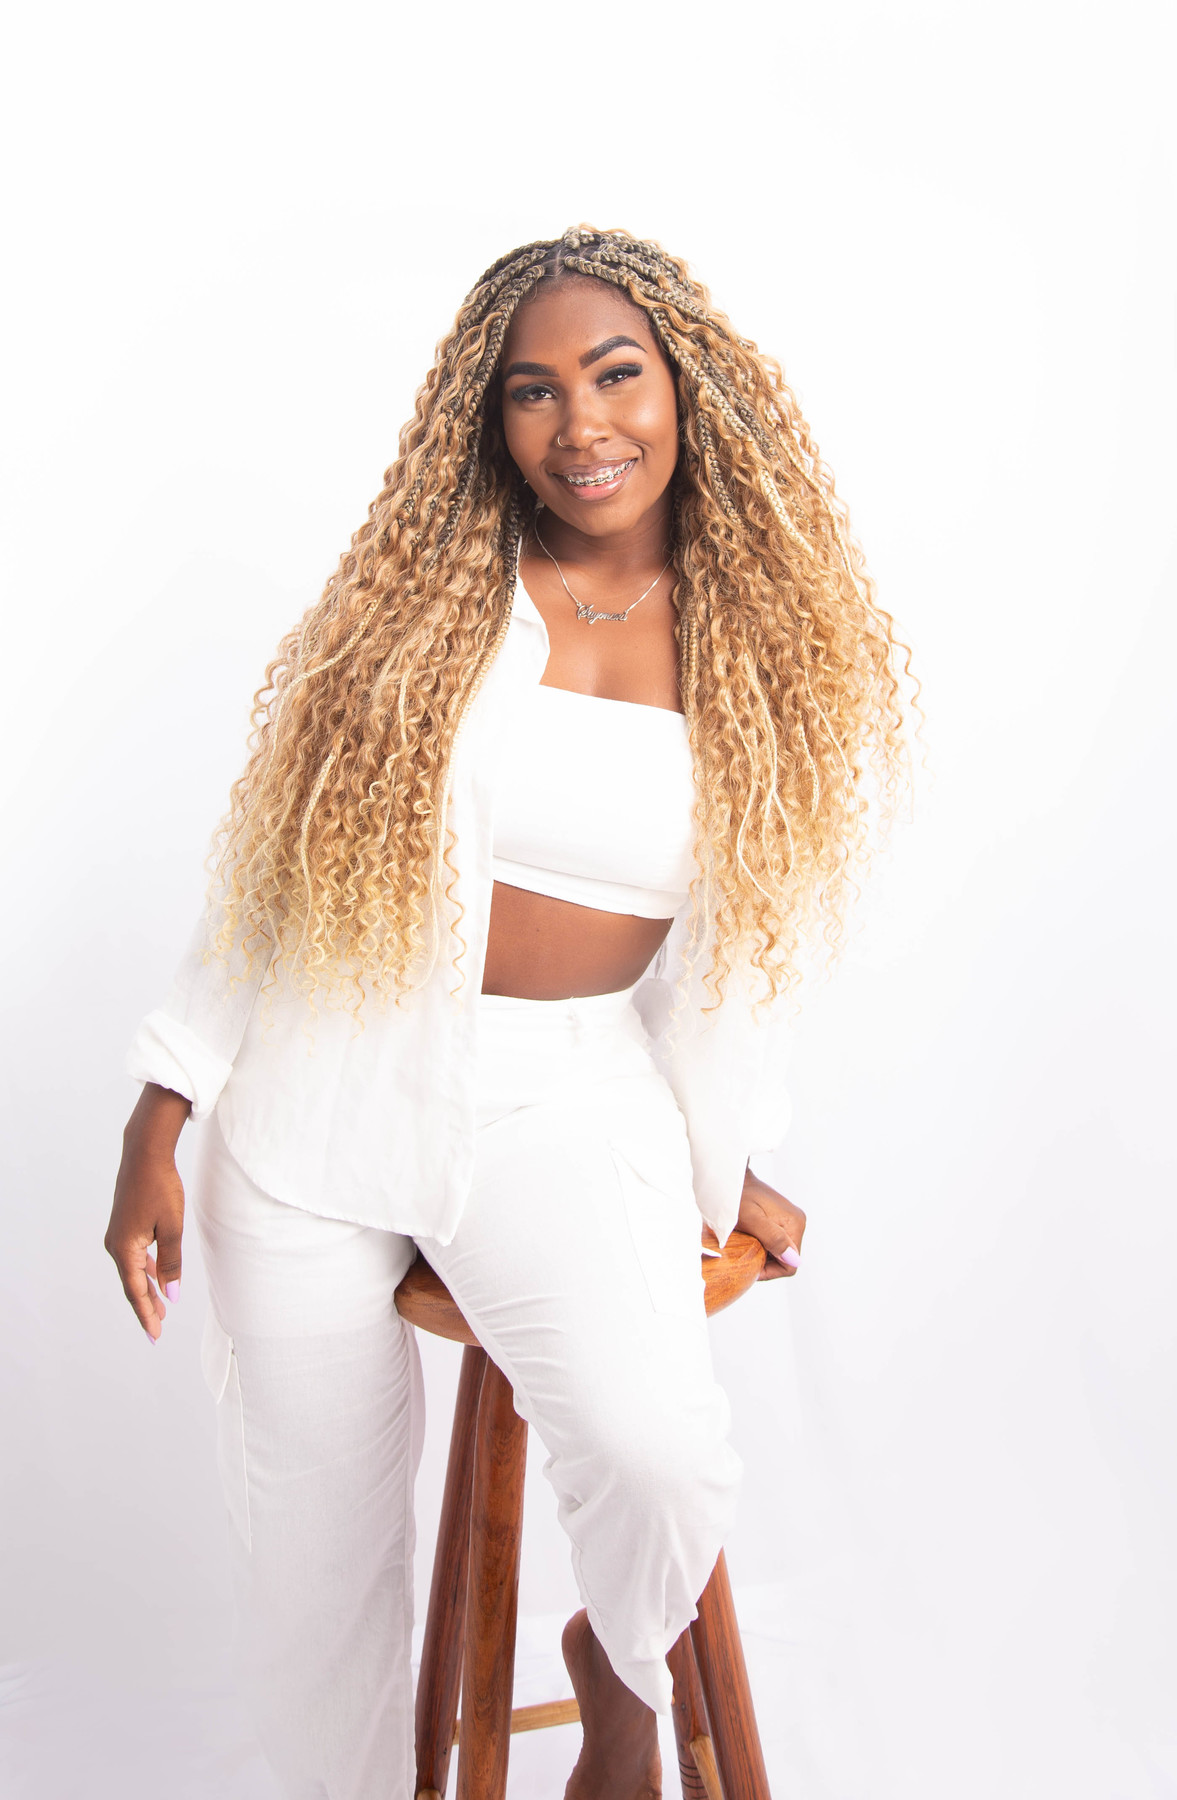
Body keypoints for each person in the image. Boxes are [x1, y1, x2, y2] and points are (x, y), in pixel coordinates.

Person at [105, 225, 913, 1800]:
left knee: (655, 1449)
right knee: (315, 1574)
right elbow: (277, 873)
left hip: (562, 1089)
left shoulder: (766, 648)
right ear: (493, 420)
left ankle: (620, 1683)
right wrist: (160, 1110)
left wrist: (719, 1154)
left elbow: (745, 962)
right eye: (533, 392)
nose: (580, 424)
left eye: (614, 375)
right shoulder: (426, 603)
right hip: (327, 1080)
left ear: (687, 385)